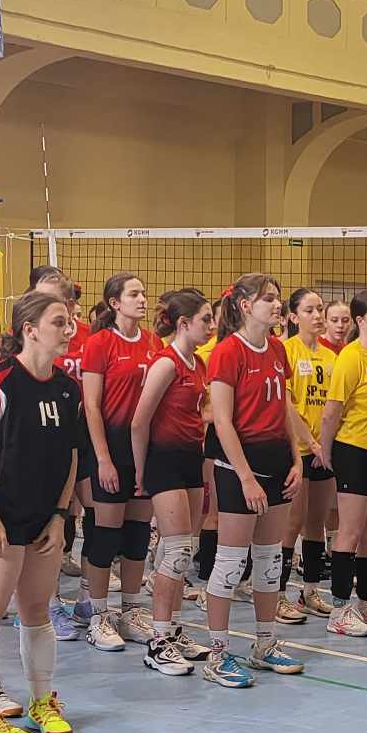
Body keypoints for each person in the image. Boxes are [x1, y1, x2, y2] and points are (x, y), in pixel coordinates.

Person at [0, 290, 82, 733]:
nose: (68, 330)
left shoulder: (67, 387)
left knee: (37, 610)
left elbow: (71, 456)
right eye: (58, 322)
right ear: (29, 330)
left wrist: (59, 515)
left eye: (69, 321)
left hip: (43, 518)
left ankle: (41, 702)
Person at [202, 275, 310, 689]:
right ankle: (217, 654)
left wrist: (296, 459)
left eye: (278, 298)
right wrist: (246, 478)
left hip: (277, 460)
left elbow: (284, 408)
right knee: (231, 563)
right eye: (268, 299)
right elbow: (223, 420)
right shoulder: (228, 351)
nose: (277, 305)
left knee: (270, 561)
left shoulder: (278, 348)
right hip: (238, 467)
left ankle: (265, 644)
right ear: (245, 305)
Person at [130, 288, 212, 676]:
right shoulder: (166, 364)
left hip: (190, 458)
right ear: (183, 323)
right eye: (205, 320)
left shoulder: (198, 363)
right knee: (176, 550)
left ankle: (174, 630)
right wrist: (140, 471)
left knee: (185, 549)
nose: (211, 326)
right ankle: (158, 642)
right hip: (163, 460)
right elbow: (139, 421)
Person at [80, 271, 159, 650]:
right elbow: (92, 406)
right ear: (114, 303)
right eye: (134, 294)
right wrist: (103, 459)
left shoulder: (154, 342)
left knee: (137, 534)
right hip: (111, 447)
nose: (142, 299)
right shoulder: (99, 343)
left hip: (144, 450)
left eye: (143, 293)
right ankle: (98, 616)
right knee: (105, 533)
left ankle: (130, 612)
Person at [318, 290, 367, 637]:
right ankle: (339, 610)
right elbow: (332, 411)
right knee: (349, 533)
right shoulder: (351, 358)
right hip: (354, 451)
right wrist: (325, 451)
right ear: (361, 320)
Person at [282, 287, 337, 622]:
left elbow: (334, 405)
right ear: (293, 316)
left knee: (317, 523)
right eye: (309, 310)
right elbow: (286, 406)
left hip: (323, 451)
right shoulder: (286, 351)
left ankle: (310, 591)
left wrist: (325, 445)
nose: (317, 316)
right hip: (297, 451)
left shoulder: (331, 357)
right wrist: (311, 443)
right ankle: (277, 595)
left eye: (320, 309)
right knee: (291, 524)